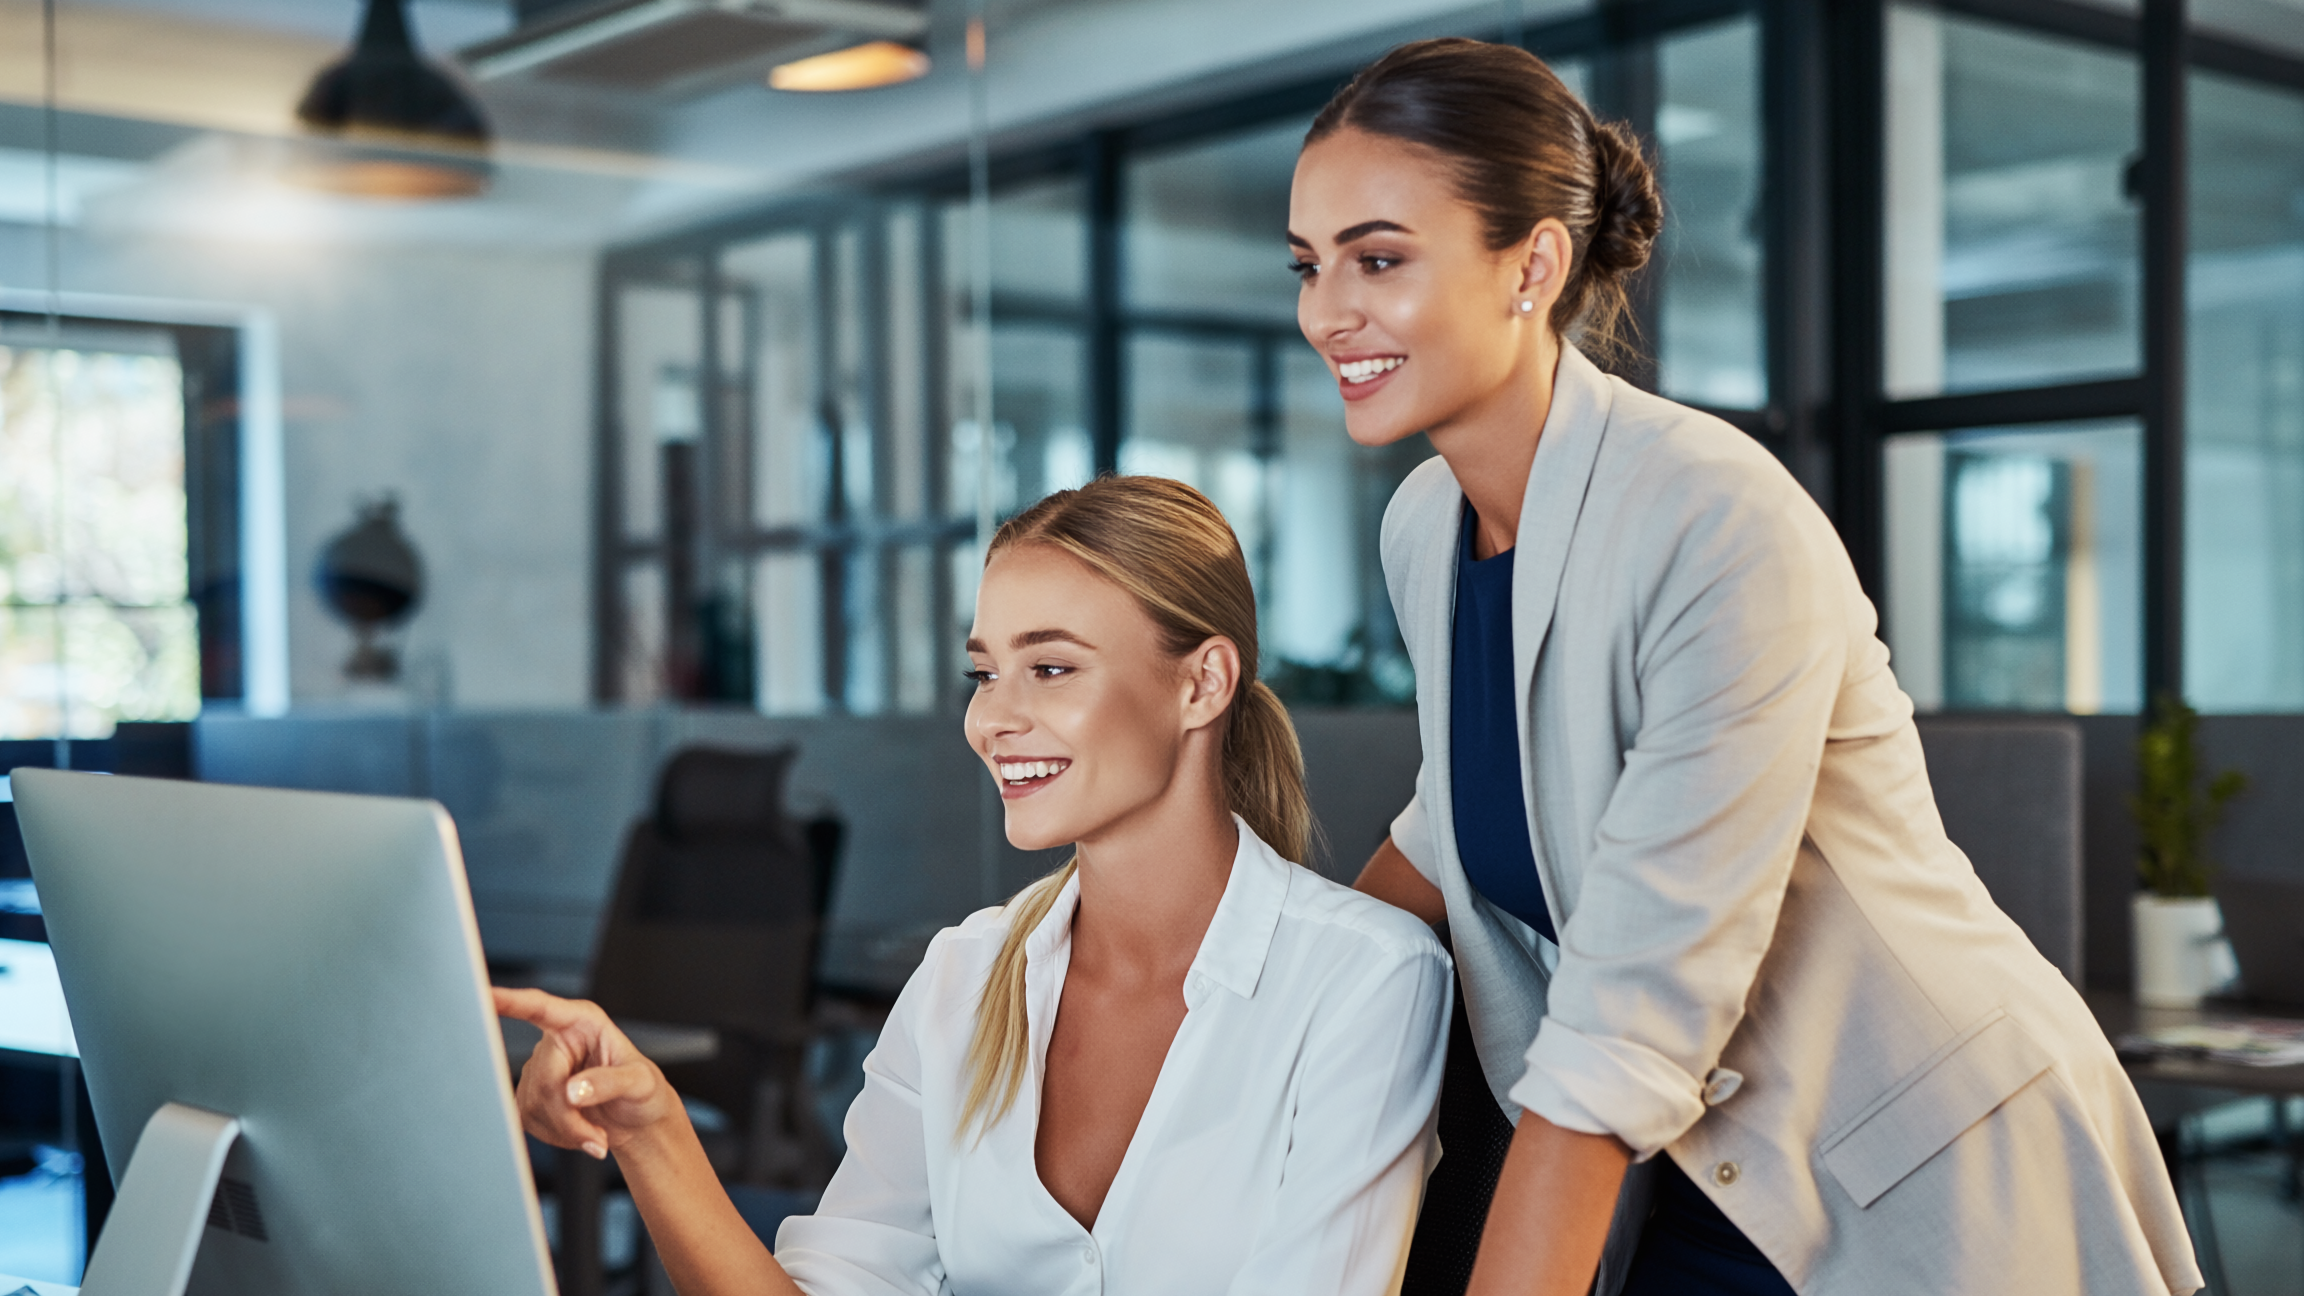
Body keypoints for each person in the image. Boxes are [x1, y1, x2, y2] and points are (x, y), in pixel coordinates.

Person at [1289, 37, 2201, 1296]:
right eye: (1309, 264)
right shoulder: (1423, 526)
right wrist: (1248, 1004)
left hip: (1914, 1164)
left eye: (1378, 258)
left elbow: (1628, 1013)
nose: (1327, 310)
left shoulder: (1712, 518)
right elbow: (1460, 815)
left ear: (1533, 266)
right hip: (1702, 1165)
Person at [496, 475, 1451, 1296]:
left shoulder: (1365, 982)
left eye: (1050, 668)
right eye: (984, 673)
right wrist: (650, 1129)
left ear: (1202, 684)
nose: (994, 717)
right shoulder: (963, 976)